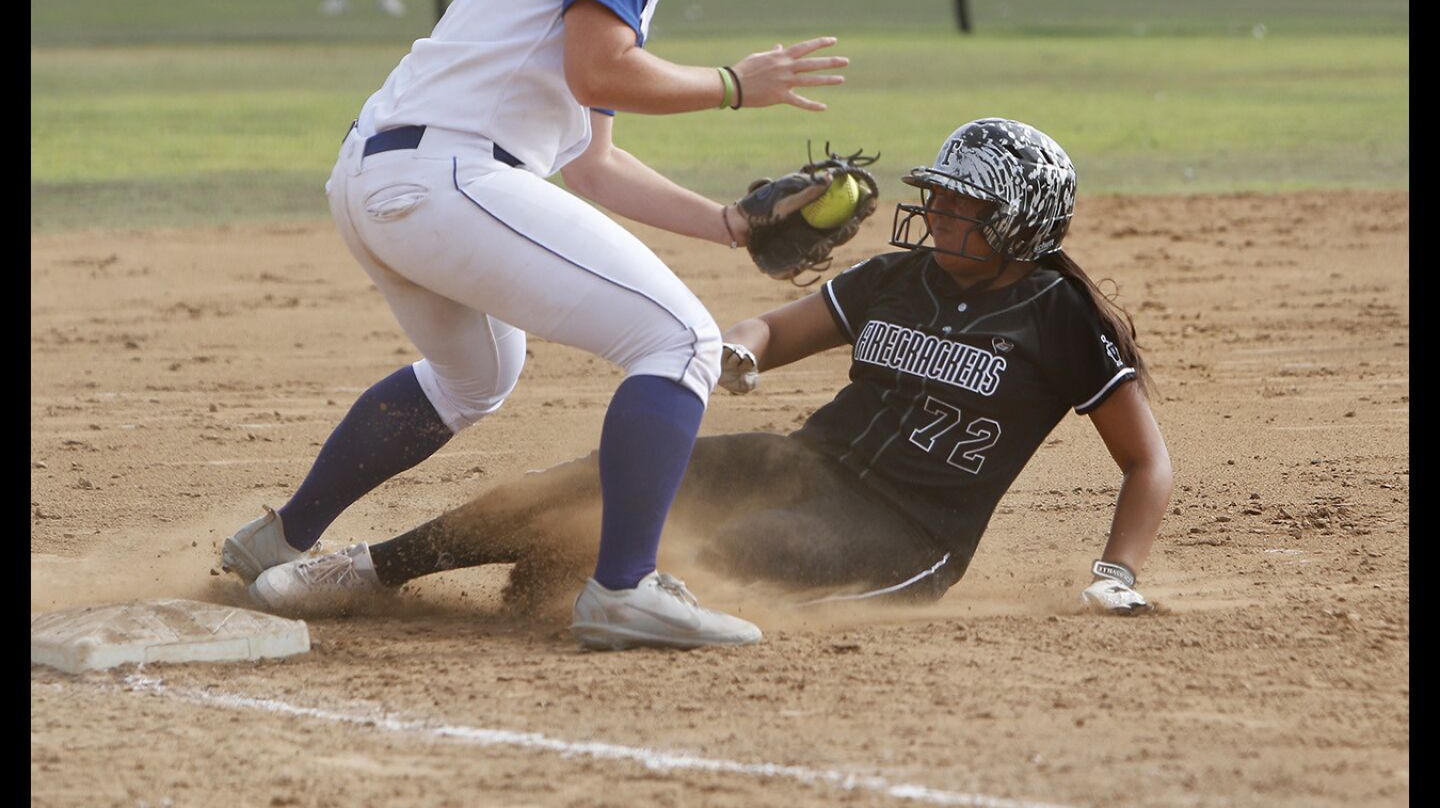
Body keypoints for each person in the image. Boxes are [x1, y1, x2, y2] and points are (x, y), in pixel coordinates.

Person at [219, 0, 850, 653]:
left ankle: (280, 538)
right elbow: (599, 71)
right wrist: (733, 83)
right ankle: (625, 588)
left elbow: (593, 160)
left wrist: (733, 224)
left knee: (478, 373)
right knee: (680, 340)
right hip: (449, 175)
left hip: (383, 177)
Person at [245, 118, 1174, 633]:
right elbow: (774, 331)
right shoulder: (902, 277)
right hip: (798, 460)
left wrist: (1117, 573)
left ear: (1022, 221)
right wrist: (733, 350)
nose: (935, 216)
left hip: (905, 536)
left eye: (962, 206)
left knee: (718, 557)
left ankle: (575, 586)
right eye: (935, 198)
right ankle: (371, 568)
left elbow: (1145, 463)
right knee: (577, 487)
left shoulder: (1063, 321)